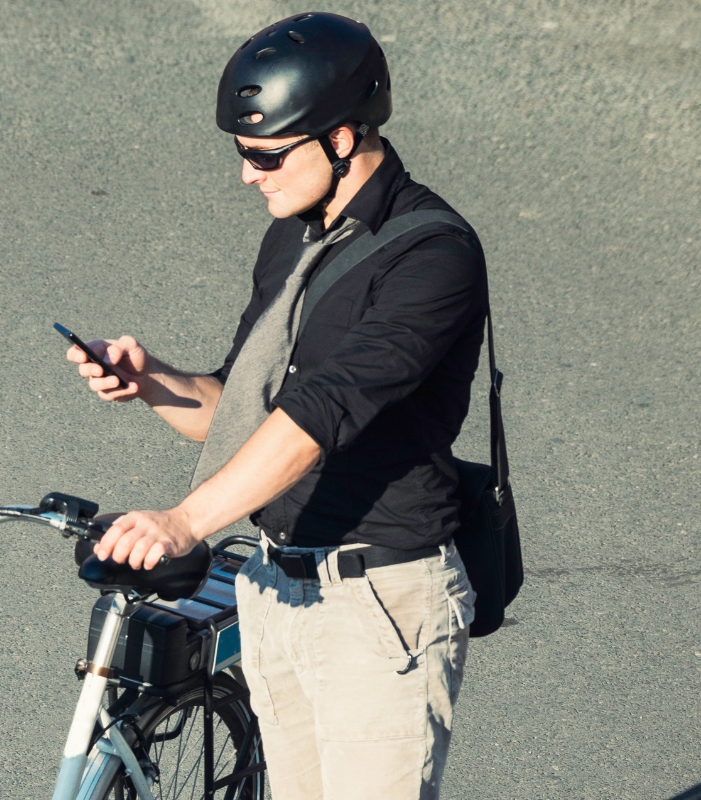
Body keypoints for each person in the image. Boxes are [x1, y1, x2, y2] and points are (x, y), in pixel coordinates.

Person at [65, 11, 485, 800]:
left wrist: (186, 522)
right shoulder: (295, 234)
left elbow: (317, 417)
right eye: (241, 153)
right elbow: (246, 412)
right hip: (274, 591)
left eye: (264, 155)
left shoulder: (433, 255)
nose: (247, 175)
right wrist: (153, 380)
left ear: (341, 138)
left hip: (378, 605)